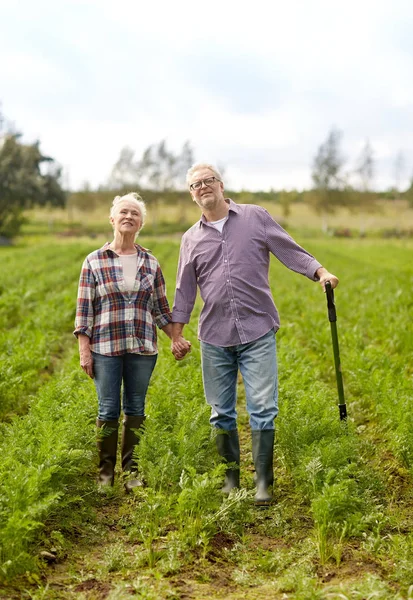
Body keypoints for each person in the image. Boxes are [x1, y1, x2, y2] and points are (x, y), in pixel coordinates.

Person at [171, 163, 339, 506]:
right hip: (214, 335)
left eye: (207, 181)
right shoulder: (190, 239)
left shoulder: (254, 217)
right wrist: (176, 332)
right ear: (191, 194)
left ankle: (263, 483)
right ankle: (231, 481)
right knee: (221, 411)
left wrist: (319, 271)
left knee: (263, 407)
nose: (202, 188)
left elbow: (287, 249)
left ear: (220, 184)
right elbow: (185, 290)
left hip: (257, 329)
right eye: (195, 185)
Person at [74, 192, 187, 491]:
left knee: (136, 408)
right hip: (105, 348)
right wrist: (84, 351)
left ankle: (131, 471)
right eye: (123, 212)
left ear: (141, 224)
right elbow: (84, 311)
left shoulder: (150, 262)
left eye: (134, 214)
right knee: (108, 409)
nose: (128, 217)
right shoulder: (94, 261)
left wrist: (176, 337)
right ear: (112, 219)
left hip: (142, 348)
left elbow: (161, 309)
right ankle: (105, 474)